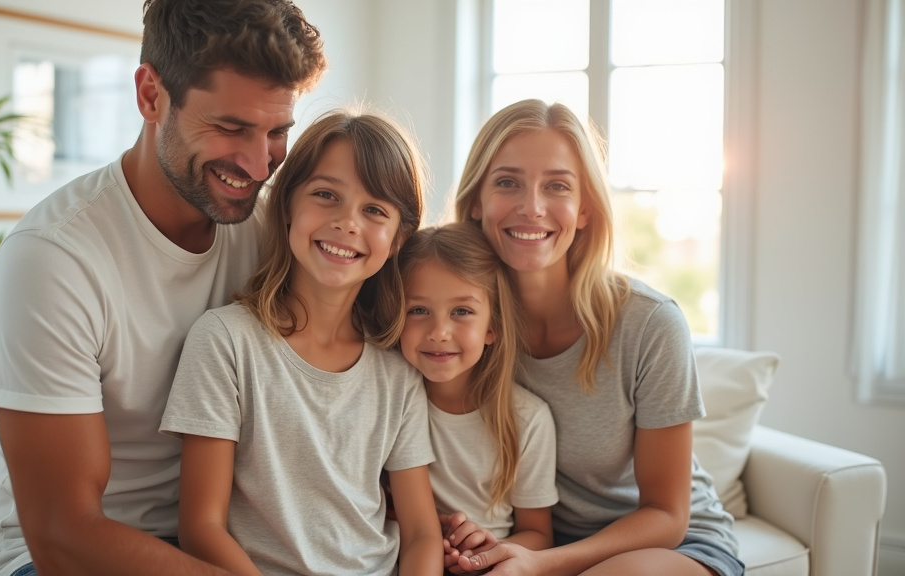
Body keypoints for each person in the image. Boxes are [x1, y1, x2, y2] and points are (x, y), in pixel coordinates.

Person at [0, 1, 327, 574]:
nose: (261, 165)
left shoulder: (271, 236)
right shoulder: (53, 260)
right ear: (150, 95)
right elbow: (64, 536)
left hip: (221, 543)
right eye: (231, 128)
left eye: (278, 131)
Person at [450, 99, 744, 576]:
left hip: (668, 544)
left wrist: (541, 564)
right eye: (507, 182)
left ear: (584, 209)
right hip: (536, 538)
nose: (532, 207)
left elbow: (667, 515)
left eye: (557, 186)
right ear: (477, 200)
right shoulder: (457, 323)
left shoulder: (650, 324)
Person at [159, 108, 443, 576]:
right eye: (326, 195)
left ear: (397, 239)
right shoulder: (226, 342)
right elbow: (201, 527)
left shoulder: (399, 371)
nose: (347, 222)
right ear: (288, 204)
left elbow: (422, 534)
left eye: (374, 210)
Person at [394, 222, 559, 573]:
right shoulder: (389, 399)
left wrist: (489, 548)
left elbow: (538, 534)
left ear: (492, 327)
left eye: (462, 312)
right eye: (418, 310)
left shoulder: (527, 419)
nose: (439, 332)